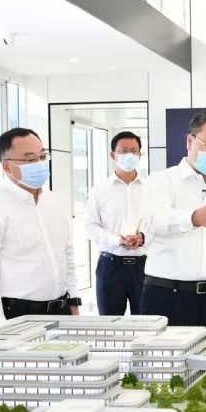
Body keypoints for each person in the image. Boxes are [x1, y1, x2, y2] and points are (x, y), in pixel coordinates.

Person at [141, 110, 206, 336]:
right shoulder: (161, 181)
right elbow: (156, 220)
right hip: (166, 296)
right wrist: (194, 218)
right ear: (190, 141)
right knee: (162, 358)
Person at [0, 128, 81, 322]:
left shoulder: (51, 200)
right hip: (18, 314)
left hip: (62, 310)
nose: (40, 163)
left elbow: (66, 254)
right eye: (31, 159)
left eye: (42, 156)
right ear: (7, 166)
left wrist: (73, 303)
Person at [85, 131, 146, 315]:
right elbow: (90, 227)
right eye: (124, 151)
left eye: (134, 151)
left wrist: (143, 237)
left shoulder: (151, 188)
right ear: (113, 155)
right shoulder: (99, 190)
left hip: (144, 266)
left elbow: (159, 224)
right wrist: (116, 239)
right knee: (109, 324)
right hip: (110, 266)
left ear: (140, 154)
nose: (129, 155)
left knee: (147, 322)